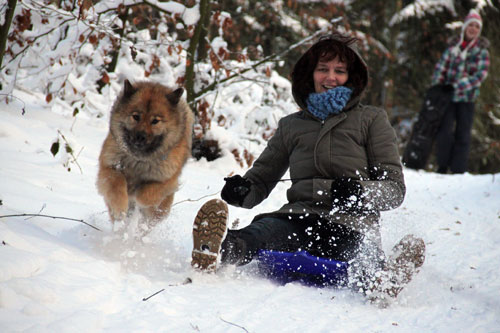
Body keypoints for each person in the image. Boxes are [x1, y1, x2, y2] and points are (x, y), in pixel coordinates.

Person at [191, 33, 425, 303]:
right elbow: (262, 179)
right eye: (323, 69)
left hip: (350, 223)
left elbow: (394, 190)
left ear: (352, 76)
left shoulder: (371, 120)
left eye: (339, 71)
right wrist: (242, 190)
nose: (330, 77)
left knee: (361, 255)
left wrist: (358, 192)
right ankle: (217, 249)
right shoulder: (292, 125)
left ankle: (384, 281)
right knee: (261, 232)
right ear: (310, 74)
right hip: (298, 218)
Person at [432, 9, 490, 174]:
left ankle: (458, 169)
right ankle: (442, 166)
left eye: (476, 27)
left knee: (463, 134)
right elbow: (440, 68)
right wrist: (438, 86)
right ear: (464, 27)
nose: (473, 29)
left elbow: (480, 76)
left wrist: (457, 86)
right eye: (470, 25)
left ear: (479, 31)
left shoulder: (481, 51)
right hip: (447, 98)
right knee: (444, 132)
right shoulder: (453, 48)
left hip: (467, 98)